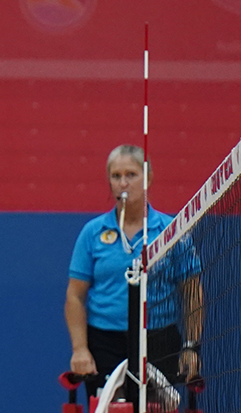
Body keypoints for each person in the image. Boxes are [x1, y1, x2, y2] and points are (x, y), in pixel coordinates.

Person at [65, 144, 204, 394]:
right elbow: (75, 296)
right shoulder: (93, 233)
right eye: (116, 176)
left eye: (131, 175)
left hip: (159, 339)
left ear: (148, 178)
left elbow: (192, 291)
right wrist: (80, 349)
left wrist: (191, 347)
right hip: (106, 342)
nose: (123, 183)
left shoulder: (172, 231)